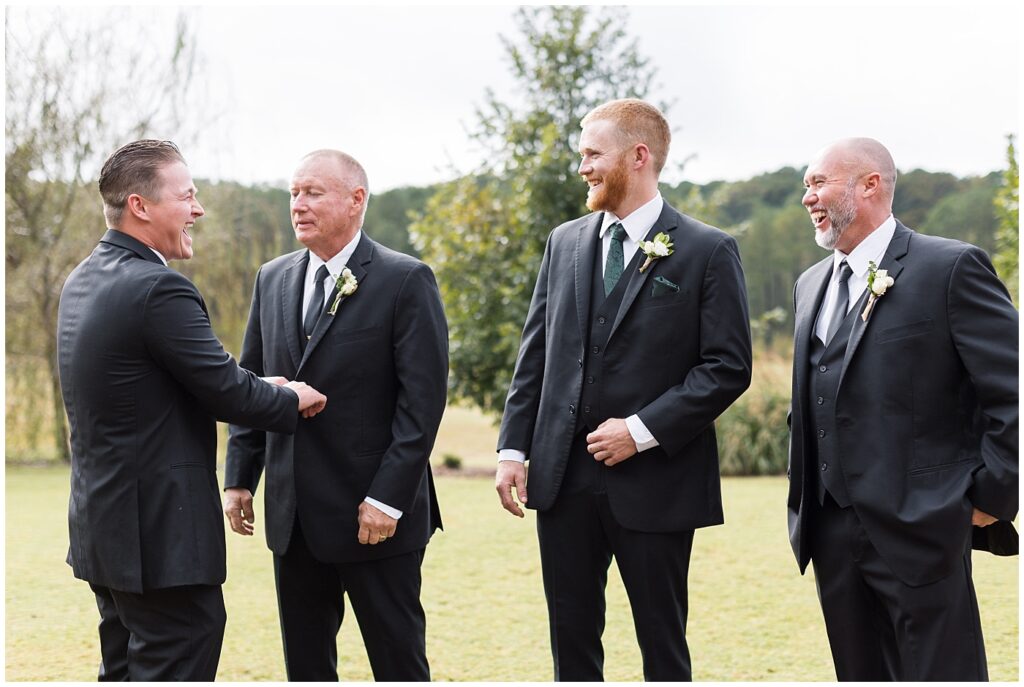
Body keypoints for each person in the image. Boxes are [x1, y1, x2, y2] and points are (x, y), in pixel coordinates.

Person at [495, 99, 752, 681]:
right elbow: (536, 353)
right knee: (571, 644)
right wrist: (513, 450)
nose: (581, 167)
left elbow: (727, 367)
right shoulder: (564, 242)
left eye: (592, 154)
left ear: (639, 157)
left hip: (656, 484)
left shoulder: (707, 249)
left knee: (662, 647)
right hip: (562, 481)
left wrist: (641, 432)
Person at [56, 139, 327, 681]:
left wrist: (252, 381)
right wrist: (290, 396)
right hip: (160, 540)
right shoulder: (159, 288)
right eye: (187, 196)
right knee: (177, 661)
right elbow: (228, 393)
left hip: (105, 529)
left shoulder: (84, 278)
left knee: (125, 670)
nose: (198, 210)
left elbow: (174, 381)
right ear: (140, 205)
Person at [787, 137, 1018, 681]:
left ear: (870, 185)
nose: (808, 197)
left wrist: (991, 496)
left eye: (818, 182)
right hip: (830, 531)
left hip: (924, 523)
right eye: (804, 186)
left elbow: (1011, 391)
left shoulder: (950, 267)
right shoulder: (809, 284)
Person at [223, 149, 448, 681]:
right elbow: (252, 384)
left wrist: (387, 500)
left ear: (356, 200)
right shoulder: (272, 277)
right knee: (306, 669)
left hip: (375, 518)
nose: (298, 205)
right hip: (293, 516)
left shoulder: (405, 279)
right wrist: (238, 478)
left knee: (398, 665)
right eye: (294, 193)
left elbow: (422, 405)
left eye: (313, 193)